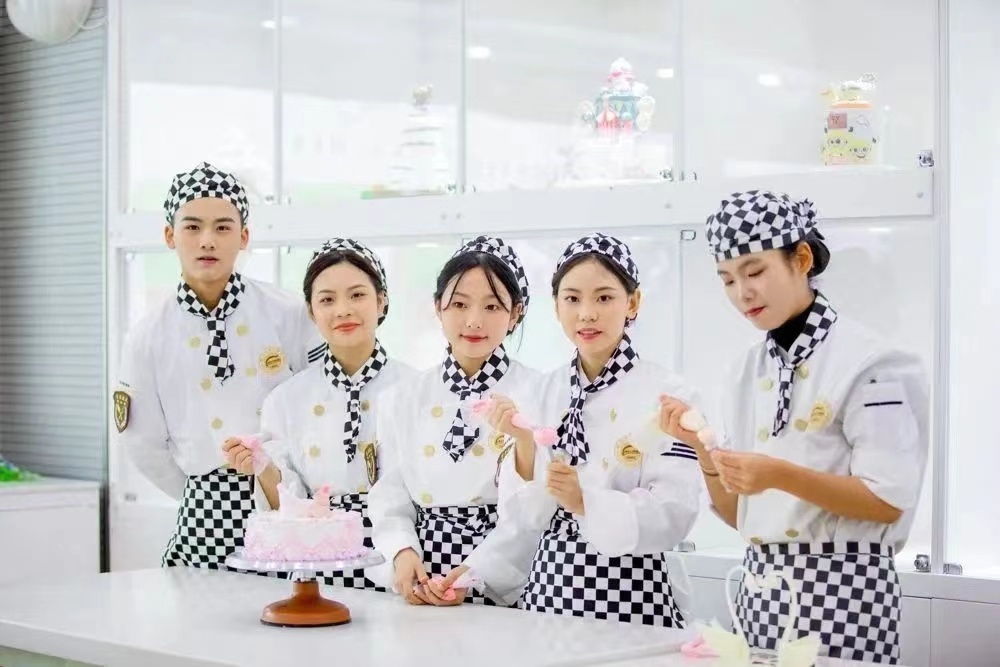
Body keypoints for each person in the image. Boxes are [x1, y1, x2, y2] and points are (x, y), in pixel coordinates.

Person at [661, 190, 928, 663]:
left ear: (801, 259)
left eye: (755, 271)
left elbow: (887, 502)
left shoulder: (872, 362)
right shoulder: (744, 371)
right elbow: (739, 515)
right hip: (757, 593)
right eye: (727, 279)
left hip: (847, 595)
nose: (742, 293)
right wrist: (701, 448)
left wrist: (777, 474)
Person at [114, 161, 323, 569]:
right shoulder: (147, 337)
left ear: (244, 237)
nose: (207, 240)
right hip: (205, 509)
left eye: (223, 227)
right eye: (192, 227)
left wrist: (282, 484)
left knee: (285, 607)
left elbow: (316, 408)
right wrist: (203, 492)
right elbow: (143, 445)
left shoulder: (288, 314)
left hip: (285, 500)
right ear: (170, 235)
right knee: (199, 606)